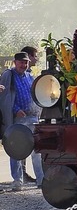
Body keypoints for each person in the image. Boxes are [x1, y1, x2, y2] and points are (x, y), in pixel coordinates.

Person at [0, 52, 44, 190]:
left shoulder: (30, 76)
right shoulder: (8, 75)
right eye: (21, 62)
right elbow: (5, 97)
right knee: (17, 149)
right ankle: (17, 180)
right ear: (15, 62)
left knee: (36, 149)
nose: (23, 65)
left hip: (32, 116)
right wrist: (15, 109)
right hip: (17, 117)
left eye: (25, 62)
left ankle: (41, 180)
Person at [20, 46, 40, 183]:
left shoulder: (29, 75)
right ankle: (21, 174)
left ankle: (36, 176)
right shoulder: (14, 75)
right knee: (21, 144)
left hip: (32, 114)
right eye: (35, 56)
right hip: (21, 115)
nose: (37, 59)